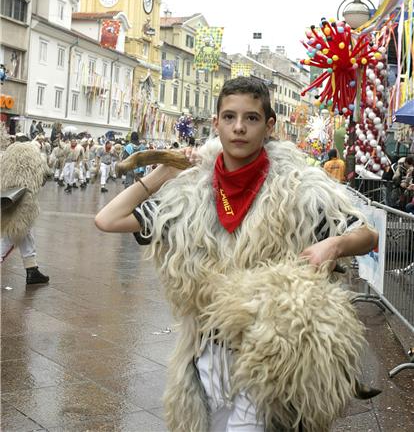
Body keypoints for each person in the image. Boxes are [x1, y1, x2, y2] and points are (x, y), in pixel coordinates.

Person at [96, 77, 379, 431]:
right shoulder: (190, 194)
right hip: (205, 352)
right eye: (229, 117)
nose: (239, 127)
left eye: (252, 118)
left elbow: (367, 235)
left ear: (269, 125)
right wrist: (163, 173)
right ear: (216, 124)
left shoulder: (298, 188)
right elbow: (108, 219)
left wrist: (332, 245)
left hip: (268, 353)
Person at [1, 138, 50, 284]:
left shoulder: (7, 155)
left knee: (26, 233)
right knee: (12, 234)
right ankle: (32, 270)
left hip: (7, 197)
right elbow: (45, 176)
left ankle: (32, 269)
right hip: (25, 201)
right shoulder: (36, 156)